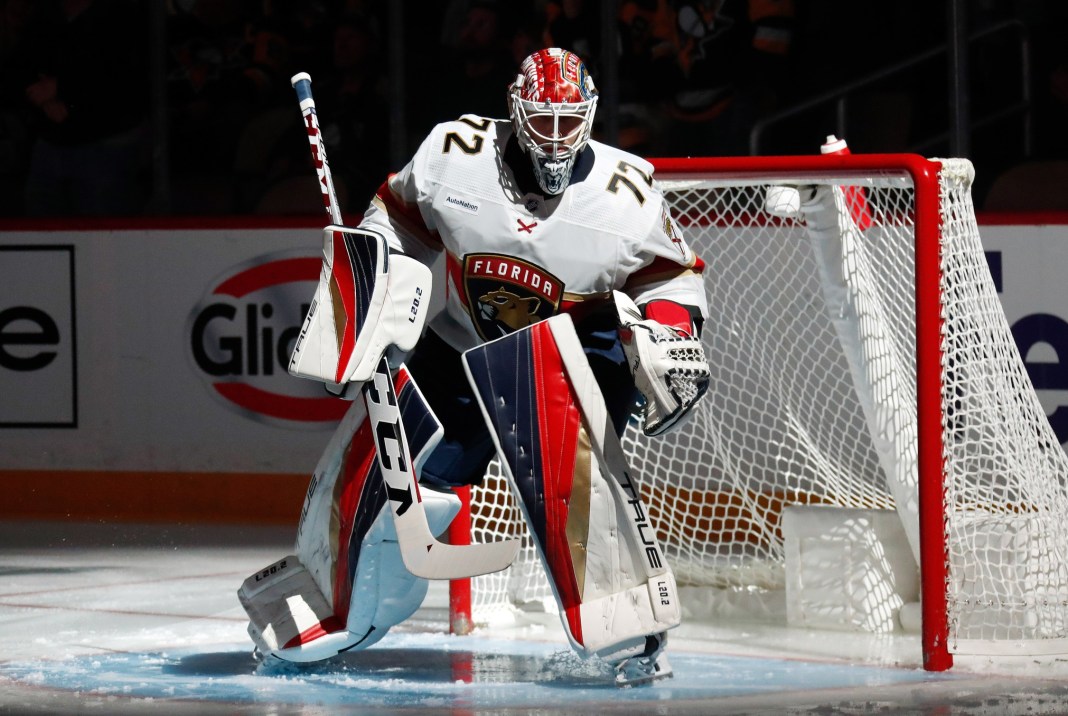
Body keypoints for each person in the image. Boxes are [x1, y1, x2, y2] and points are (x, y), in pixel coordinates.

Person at [240, 47, 711, 686]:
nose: (554, 137)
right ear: (514, 111)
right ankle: (338, 602)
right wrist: (363, 294)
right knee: (390, 460)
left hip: (575, 355)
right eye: (541, 120)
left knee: (570, 474)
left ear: (591, 116)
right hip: (463, 343)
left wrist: (673, 336)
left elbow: (673, 275)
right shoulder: (454, 154)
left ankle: (623, 624)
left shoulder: (623, 195)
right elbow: (399, 218)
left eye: (568, 121)